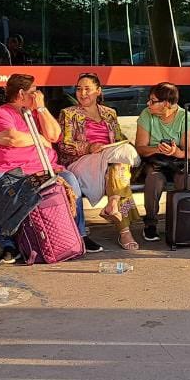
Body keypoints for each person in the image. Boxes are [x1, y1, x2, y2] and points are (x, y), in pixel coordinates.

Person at [0, 74, 100, 262]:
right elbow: (12, 138)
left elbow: (54, 135)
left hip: (43, 167)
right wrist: (40, 139)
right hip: (8, 170)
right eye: (34, 91)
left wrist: (42, 109)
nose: (38, 95)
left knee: (69, 179)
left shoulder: (36, 113)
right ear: (21, 94)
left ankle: (79, 234)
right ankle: (9, 245)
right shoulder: (0, 113)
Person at [57, 73, 143, 250]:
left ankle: (117, 211)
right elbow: (64, 145)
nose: (82, 93)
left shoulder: (109, 113)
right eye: (79, 89)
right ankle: (122, 225)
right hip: (83, 162)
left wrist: (120, 144)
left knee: (119, 168)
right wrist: (89, 147)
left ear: (98, 91)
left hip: (108, 161)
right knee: (123, 161)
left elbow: (118, 139)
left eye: (87, 89)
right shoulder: (69, 113)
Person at [135, 82, 190, 242]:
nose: (148, 104)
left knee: (186, 180)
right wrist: (157, 149)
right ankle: (150, 223)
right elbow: (140, 148)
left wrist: (175, 152)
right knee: (154, 180)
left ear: (167, 104)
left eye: (153, 101)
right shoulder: (147, 115)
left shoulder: (185, 117)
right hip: (155, 161)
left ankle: (185, 223)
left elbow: (189, 153)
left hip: (178, 162)